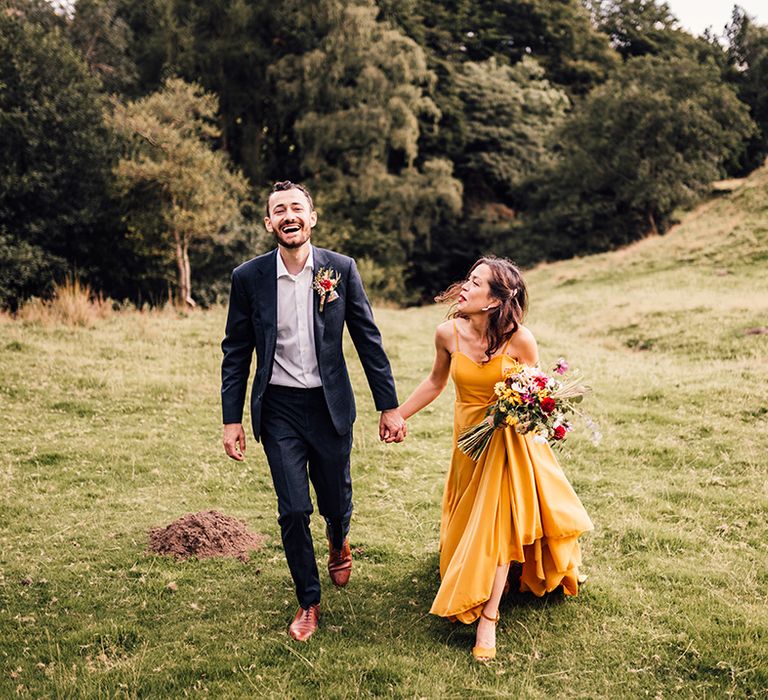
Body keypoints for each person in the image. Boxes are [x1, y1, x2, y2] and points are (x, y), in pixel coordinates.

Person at [221, 181, 406, 642]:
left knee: (334, 497)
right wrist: (231, 418)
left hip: (329, 404)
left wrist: (389, 406)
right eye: (279, 210)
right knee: (292, 509)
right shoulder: (248, 278)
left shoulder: (340, 270)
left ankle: (339, 537)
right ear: (269, 223)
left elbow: (368, 339)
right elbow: (236, 350)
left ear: (312, 217)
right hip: (278, 407)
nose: (289, 216)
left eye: (296, 208)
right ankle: (308, 600)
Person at [398, 257, 593, 662]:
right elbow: (435, 382)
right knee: (472, 517)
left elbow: (535, 392)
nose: (464, 286)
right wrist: (399, 414)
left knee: (501, 519)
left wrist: (523, 408)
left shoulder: (521, 340)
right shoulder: (446, 334)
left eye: (475, 282)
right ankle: (488, 579)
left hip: (509, 442)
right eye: (468, 279)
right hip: (468, 439)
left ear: (493, 301)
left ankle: (489, 617)